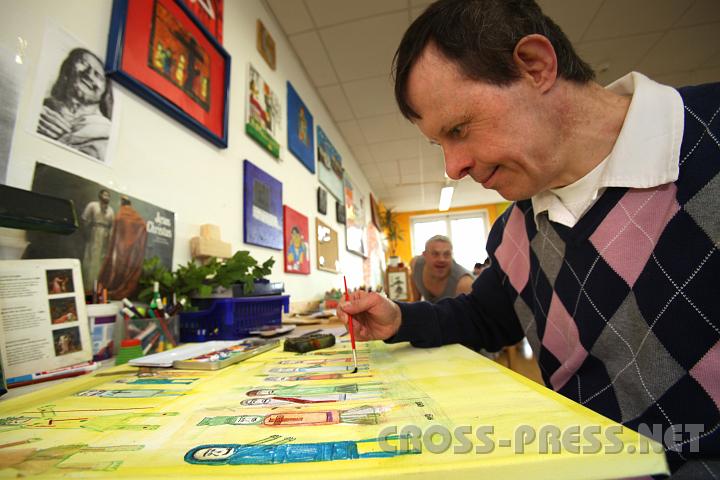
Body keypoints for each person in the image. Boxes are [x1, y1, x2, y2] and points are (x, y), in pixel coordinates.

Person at [338, 0, 719, 476]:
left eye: (459, 128)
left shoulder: (711, 138)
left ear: (536, 66)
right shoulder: (515, 227)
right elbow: (485, 318)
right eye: (441, 144)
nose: (452, 167)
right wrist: (399, 318)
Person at [36, 48, 113, 161]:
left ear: (105, 91)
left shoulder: (105, 132)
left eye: (98, 75)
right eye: (83, 63)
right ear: (68, 69)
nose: (89, 75)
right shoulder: (42, 109)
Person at [98, 196, 148, 300]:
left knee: (115, 270)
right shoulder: (137, 217)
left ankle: (113, 290)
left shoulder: (120, 214)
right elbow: (143, 228)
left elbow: (115, 235)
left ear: (122, 203)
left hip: (120, 250)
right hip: (133, 252)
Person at [409, 235, 473, 303]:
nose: (441, 259)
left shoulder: (464, 284)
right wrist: (415, 300)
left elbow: (468, 313)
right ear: (425, 255)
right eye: (435, 254)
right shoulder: (416, 264)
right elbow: (414, 276)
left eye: (447, 254)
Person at [81, 189, 114, 291]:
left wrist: (109, 238)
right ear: (100, 196)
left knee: (100, 262)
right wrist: (87, 233)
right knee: (90, 260)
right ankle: (87, 286)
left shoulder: (111, 210)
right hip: (93, 234)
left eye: (108, 195)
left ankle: (96, 288)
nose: (106, 197)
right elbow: (84, 219)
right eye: (105, 195)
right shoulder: (92, 205)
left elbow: (112, 226)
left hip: (104, 237)